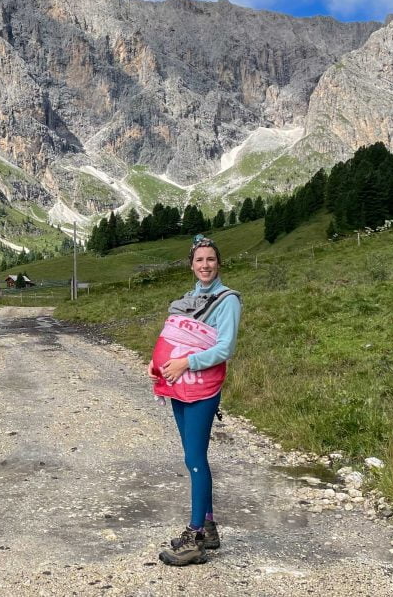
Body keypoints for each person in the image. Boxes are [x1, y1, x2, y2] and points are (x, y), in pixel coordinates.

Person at [148, 234, 242, 566]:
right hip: (177, 384)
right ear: (191, 265)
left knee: (196, 458)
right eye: (199, 260)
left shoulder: (227, 301)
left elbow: (224, 349)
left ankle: (196, 537)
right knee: (191, 457)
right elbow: (175, 338)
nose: (205, 265)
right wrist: (157, 362)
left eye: (211, 260)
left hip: (202, 386)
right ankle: (210, 525)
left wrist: (186, 362)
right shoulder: (188, 299)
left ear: (219, 264)